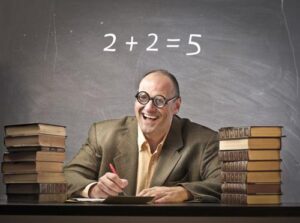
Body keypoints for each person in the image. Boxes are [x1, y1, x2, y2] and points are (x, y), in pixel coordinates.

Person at [64, 69, 221, 203]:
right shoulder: (103, 134)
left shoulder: (204, 141)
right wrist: (94, 190)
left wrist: (184, 192)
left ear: (176, 106)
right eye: (143, 97)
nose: (149, 108)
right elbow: (67, 176)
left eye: (159, 100)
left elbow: (225, 183)